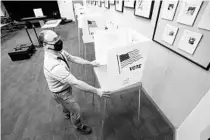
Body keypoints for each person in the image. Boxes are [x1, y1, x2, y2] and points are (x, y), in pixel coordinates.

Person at [38, 30, 111, 135]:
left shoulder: (59, 52)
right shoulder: (53, 66)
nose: (58, 40)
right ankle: (78, 126)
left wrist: (90, 63)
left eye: (57, 37)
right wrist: (97, 91)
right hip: (61, 92)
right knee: (76, 110)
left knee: (66, 105)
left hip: (64, 87)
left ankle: (67, 112)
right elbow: (76, 83)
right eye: (54, 40)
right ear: (45, 45)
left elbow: (73, 58)